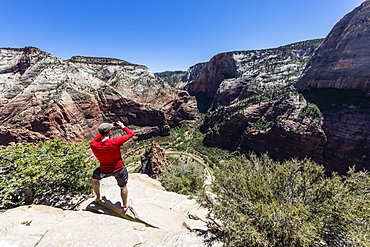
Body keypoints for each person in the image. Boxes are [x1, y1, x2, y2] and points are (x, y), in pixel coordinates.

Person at [90, 121, 134, 212]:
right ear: (110, 132)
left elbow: (97, 138)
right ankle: (125, 206)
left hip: (103, 171)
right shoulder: (114, 142)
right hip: (119, 169)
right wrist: (122, 126)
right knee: (123, 186)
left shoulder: (93, 144)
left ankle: (98, 197)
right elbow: (131, 133)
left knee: (95, 178)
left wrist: (104, 131)